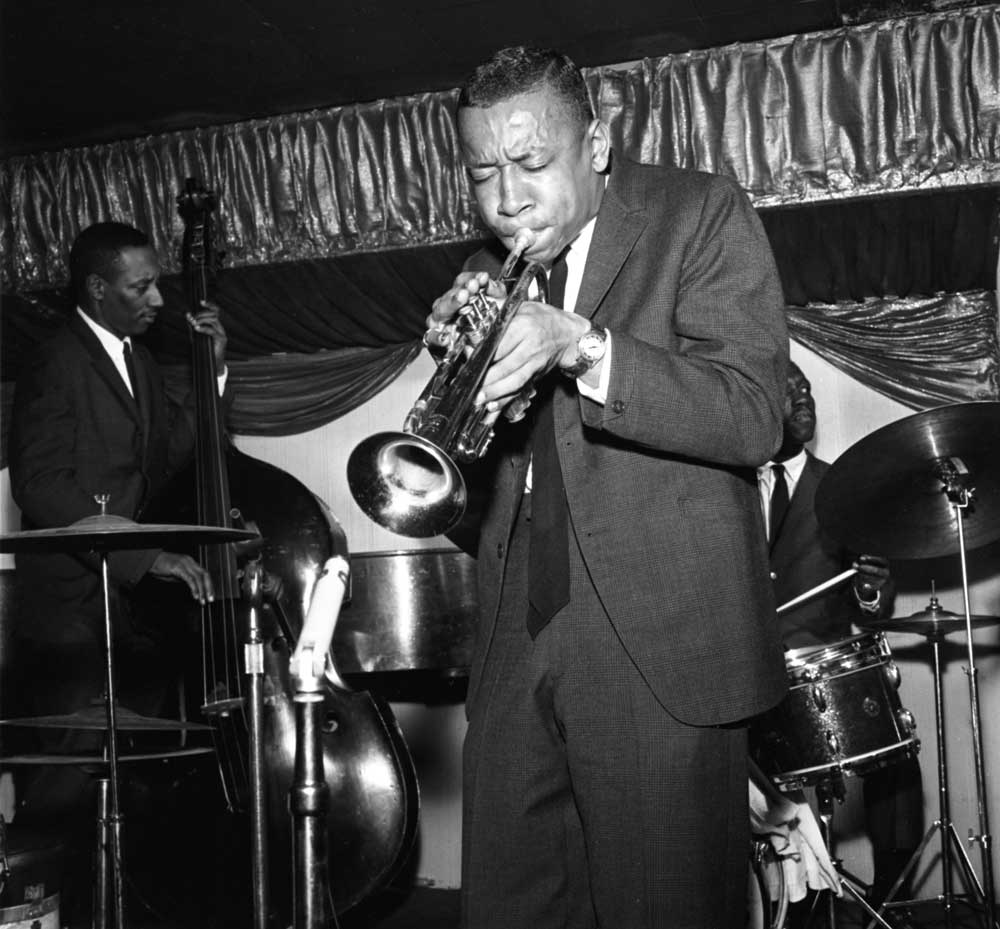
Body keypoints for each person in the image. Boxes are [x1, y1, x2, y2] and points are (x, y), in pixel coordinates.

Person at [425, 46, 790, 928]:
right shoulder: (487, 271)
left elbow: (752, 415)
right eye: (482, 173)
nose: (508, 199)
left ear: (594, 145)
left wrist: (581, 346)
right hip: (515, 636)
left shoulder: (698, 213)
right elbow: (472, 503)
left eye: (531, 162)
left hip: (658, 642)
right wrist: (462, 400)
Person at [6, 221, 227, 829]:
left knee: (126, 793)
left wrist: (211, 372)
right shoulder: (54, 361)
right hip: (72, 617)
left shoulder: (140, 362)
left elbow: (168, 458)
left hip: (131, 615)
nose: (157, 300)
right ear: (98, 288)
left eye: (157, 285)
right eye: (141, 287)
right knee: (65, 791)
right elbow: (40, 485)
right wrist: (145, 557)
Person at [757, 360, 924, 915]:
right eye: (787, 391)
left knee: (894, 750)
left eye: (806, 389)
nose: (803, 398)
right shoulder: (725, 492)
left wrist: (872, 590)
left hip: (816, 667)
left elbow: (870, 597)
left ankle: (892, 896)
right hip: (747, 673)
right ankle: (788, 905)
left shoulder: (840, 489)